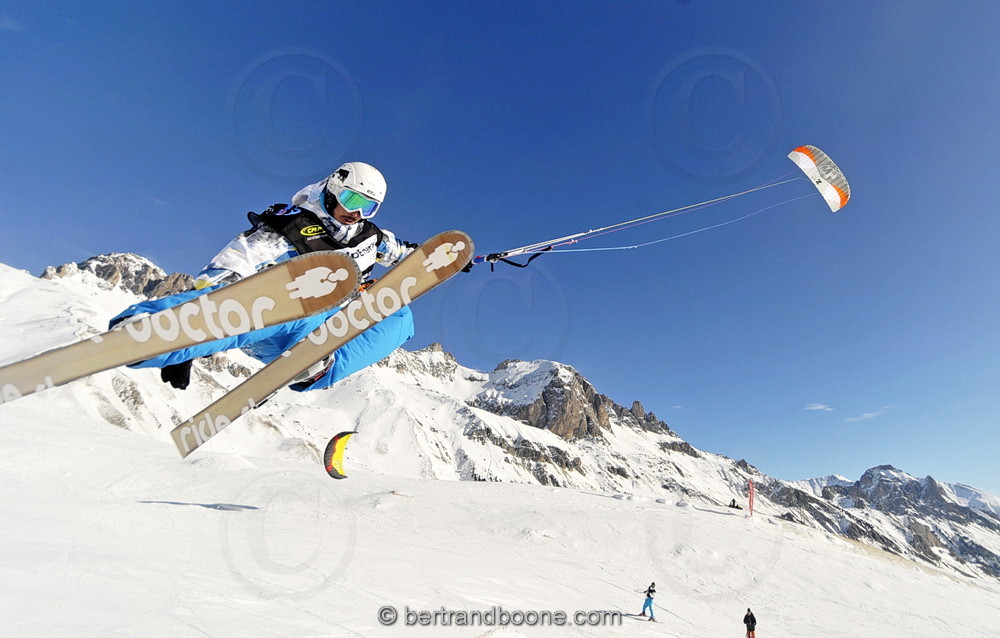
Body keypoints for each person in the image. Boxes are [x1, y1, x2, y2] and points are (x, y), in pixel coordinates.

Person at [110, 162, 417, 392]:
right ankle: (159, 329)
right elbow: (232, 265)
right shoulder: (291, 227)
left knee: (401, 316)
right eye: (352, 201)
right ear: (334, 189)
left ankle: (314, 367)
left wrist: (434, 258)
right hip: (279, 317)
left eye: (369, 207)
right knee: (294, 302)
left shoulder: (370, 237)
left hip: (330, 329)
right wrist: (198, 321)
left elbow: (401, 252)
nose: (357, 212)